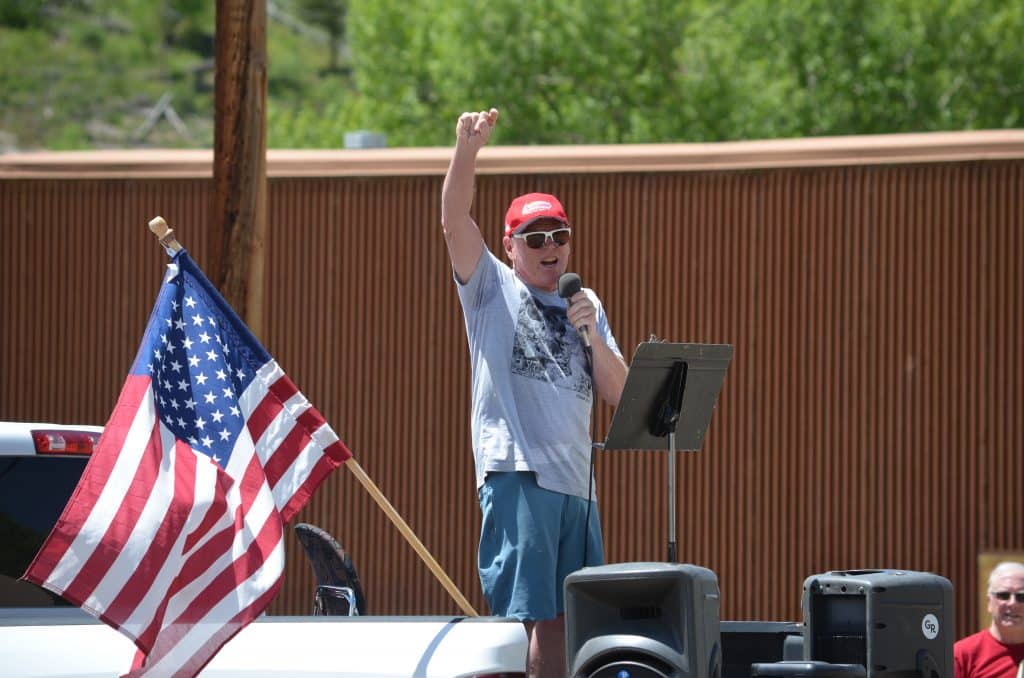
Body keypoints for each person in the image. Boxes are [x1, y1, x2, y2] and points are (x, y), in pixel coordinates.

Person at [441, 107, 628, 677]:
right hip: (520, 474)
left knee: (570, 619)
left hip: (577, 483)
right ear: (512, 245)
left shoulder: (585, 302)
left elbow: (620, 393)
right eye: (536, 237)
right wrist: (467, 151)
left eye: (559, 235)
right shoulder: (491, 287)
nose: (550, 247)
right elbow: (453, 221)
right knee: (528, 616)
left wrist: (592, 334)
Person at [954, 561, 1024, 678]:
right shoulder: (962, 654)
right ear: (989, 602)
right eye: (1003, 595)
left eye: (1021, 597)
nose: (1012, 603)